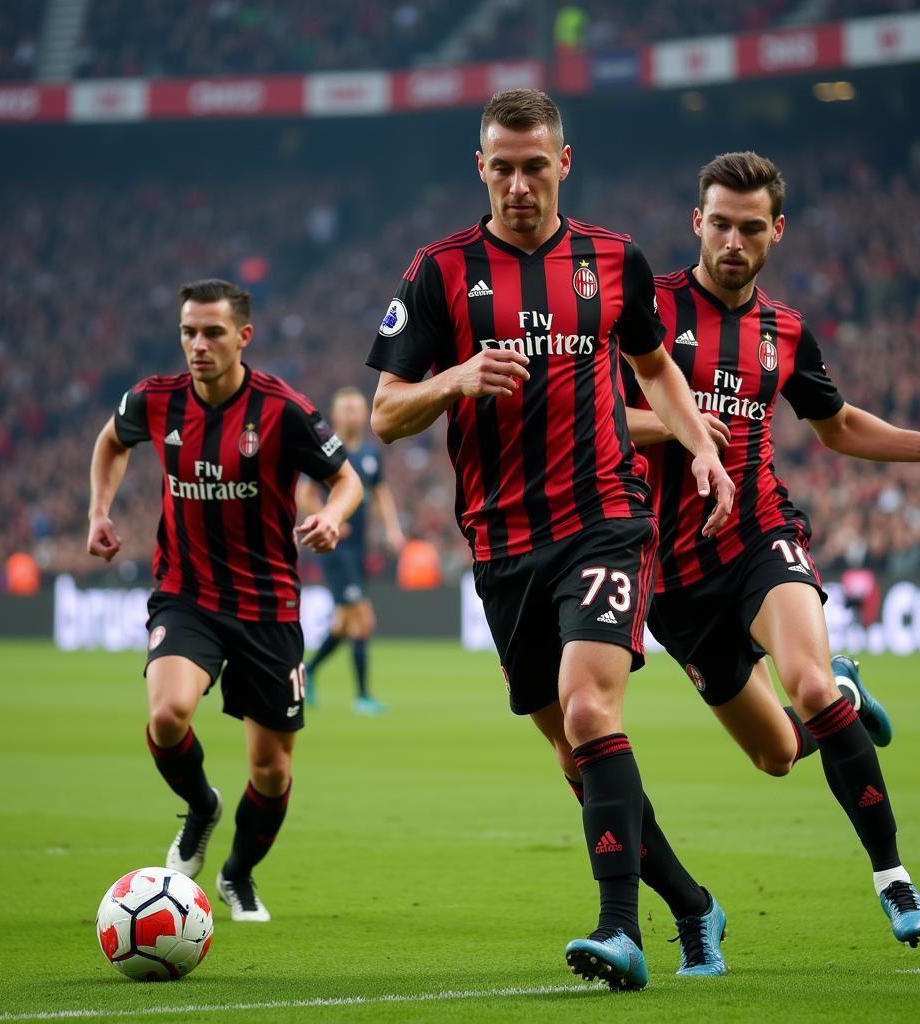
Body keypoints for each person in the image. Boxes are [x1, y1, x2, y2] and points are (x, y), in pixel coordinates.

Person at [366, 88, 735, 989]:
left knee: (588, 710)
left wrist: (703, 455)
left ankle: (621, 931)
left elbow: (657, 371)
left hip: (606, 519)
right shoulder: (437, 271)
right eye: (503, 166)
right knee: (577, 751)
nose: (520, 184)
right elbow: (384, 415)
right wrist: (453, 377)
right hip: (501, 547)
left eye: (536, 166)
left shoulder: (615, 260)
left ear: (563, 164)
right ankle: (692, 903)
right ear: (480, 168)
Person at [623, 151, 920, 954]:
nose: (732, 240)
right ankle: (850, 696)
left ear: (777, 232)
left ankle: (893, 879)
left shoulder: (784, 331)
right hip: (672, 581)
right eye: (719, 223)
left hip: (759, 534)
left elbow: (837, 426)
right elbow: (586, 421)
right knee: (778, 753)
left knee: (807, 683)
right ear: (697, 221)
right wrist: (677, 429)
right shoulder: (646, 312)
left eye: (750, 228)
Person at [87, 279, 362, 923]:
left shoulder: (283, 409)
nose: (198, 345)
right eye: (188, 332)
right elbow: (110, 443)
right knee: (167, 715)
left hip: (267, 608)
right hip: (186, 594)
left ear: (244, 336)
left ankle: (238, 874)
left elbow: (344, 479)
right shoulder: (155, 399)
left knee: (270, 770)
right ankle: (203, 807)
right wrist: (98, 512)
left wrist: (334, 517)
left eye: (212, 332)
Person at [300, 386, 405, 713]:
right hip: (335, 548)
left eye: (357, 408)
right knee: (362, 618)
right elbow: (303, 494)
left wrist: (392, 528)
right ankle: (362, 696)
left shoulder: (372, 453)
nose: (352, 414)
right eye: (345, 408)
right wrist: (329, 518)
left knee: (343, 624)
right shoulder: (327, 450)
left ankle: (309, 672)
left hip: (359, 549)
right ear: (334, 415)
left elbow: (380, 491)